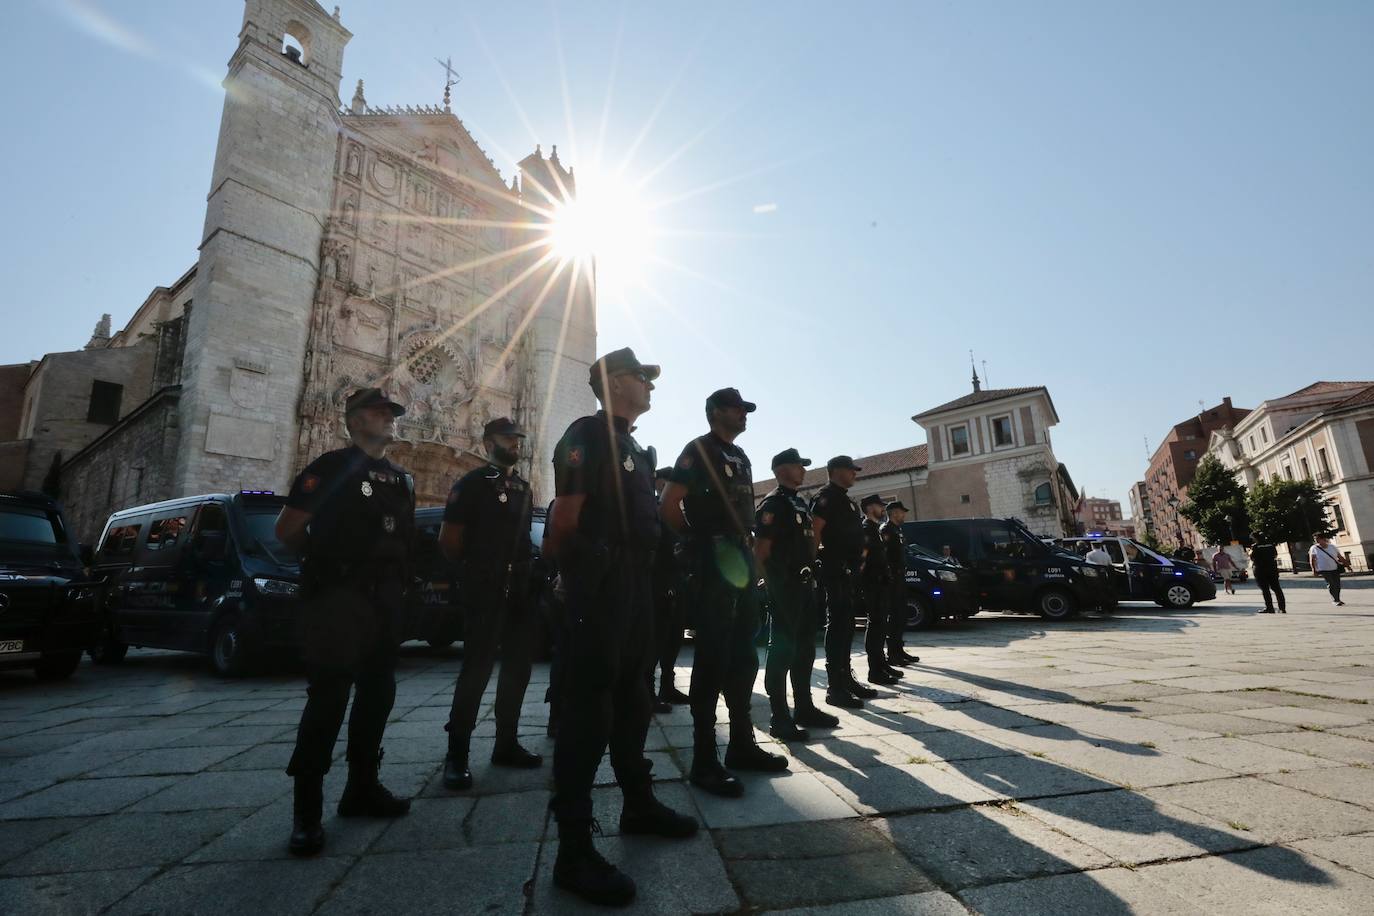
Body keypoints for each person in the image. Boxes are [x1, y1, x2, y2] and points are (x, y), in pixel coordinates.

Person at [546, 348, 698, 907]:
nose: (650, 385)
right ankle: (572, 850)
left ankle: (638, 803)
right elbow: (564, 520)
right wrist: (572, 580)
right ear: (613, 382)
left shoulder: (634, 445)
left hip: (637, 589)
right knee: (589, 710)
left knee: (633, 699)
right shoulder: (586, 432)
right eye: (641, 377)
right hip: (600, 588)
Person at [276, 388, 414, 858]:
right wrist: (327, 566)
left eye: (391, 413)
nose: (389, 419)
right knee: (328, 700)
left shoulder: (401, 480)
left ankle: (362, 788)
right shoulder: (329, 468)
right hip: (337, 601)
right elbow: (289, 531)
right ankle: (306, 813)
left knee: (377, 696)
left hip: (384, 603)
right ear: (354, 421)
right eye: (379, 412)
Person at [661, 388, 788, 799]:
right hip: (713, 565)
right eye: (738, 409)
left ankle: (741, 744)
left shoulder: (741, 457)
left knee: (743, 656)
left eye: (745, 409)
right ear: (717, 412)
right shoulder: (698, 450)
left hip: (741, 564)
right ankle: (703, 759)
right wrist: (699, 543)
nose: (744, 414)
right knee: (712, 657)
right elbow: (669, 505)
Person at [440, 418, 541, 791]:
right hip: (485, 587)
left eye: (517, 438)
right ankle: (457, 755)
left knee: (518, 669)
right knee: (476, 671)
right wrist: (480, 571)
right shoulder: (470, 485)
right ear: (488, 442)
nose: (514, 443)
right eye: (506, 438)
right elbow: (450, 542)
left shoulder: (523, 487)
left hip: (519, 588)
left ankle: (506, 743)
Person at [755, 448, 840, 742]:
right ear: (780, 470)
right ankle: (779, 717)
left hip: (804, 585)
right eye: (797, 466)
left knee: (805, 648)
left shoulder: (799, 504)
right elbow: (762, 551)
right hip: (783, 584)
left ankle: (804, 708)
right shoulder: (773, 504)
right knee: (781, 650)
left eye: (803, 466)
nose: (803, 471)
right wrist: (770, 585)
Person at [810, 456, 880, 709]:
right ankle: (835, 687)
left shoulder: (845, 500)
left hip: (849, 572)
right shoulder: (825, 497)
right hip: (834, 569)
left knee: (848, 626)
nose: (855, 474)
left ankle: (846, 678)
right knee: (838, 625)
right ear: (837, 471)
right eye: (851, 470)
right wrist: (811, 564)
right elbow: (815, 532)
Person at [652, 467, 689, 712]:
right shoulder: (652, 509)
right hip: (657, 581)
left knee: (674, 637)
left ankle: (667, 686)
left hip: (677, 580)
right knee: (654, 640)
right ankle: (647, 692)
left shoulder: (678, 511)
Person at [859, 494, 902, 685]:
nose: (882, 509)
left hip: (882, 582)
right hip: (872, 583)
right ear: (869, 508)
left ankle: (881, 664)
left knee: (881, 625)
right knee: (875, 625)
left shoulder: (875, 529)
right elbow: (862, 558)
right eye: (879, 506)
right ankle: (874, 670)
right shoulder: (866, 529)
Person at [880, 501, 919, 666]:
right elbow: (884, 555)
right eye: (902, 512)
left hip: (900, 576)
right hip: (892, 578)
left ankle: (899, 649)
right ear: (894, 513)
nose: (904, 515)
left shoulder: (898, 529)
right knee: (894, 616)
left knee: (901, 615)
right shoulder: (886, 530)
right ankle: (892, 654)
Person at [1247, 532, 1285, 614]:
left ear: (1255, 538)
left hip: (1260, 570)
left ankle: (1270, 608)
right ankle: (1282, 608)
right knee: (1277, 588)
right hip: (1272, 569)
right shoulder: (1270, 545)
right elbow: (1275, 555)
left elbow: (1252, 557)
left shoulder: (1255, 546)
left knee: (1265, 590)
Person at [1309, 532, 1349, 606]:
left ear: (1323, 539)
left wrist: (1347, 565)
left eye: (1318, 539)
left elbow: (1339, 557)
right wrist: (1314, 570)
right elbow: (1312, 560)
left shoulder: (1332, 547)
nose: (1316, 541)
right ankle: (1335, 600)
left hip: (1335, 568)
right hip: (1324, 569)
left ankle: (1338, 599)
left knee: (1337, 584)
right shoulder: (1314, 548)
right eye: (1315, 539)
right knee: (1331, 584)